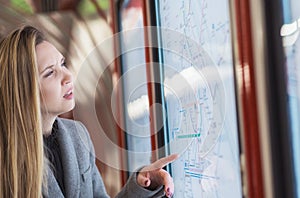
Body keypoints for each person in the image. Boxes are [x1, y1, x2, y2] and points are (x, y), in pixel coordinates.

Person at [0, 25, 178, 198]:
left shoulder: (78, 135)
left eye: (63, 64)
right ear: (23, 92)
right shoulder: (6, 158)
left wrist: (142, 185)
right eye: (50, 73)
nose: (68, 76)